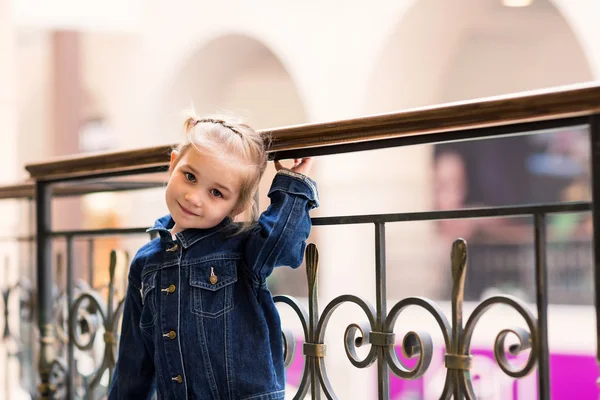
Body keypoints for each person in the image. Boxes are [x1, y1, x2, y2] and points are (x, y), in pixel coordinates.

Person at [108, 114, 318, 399]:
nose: (195, 197)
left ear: (237, 206)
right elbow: (134, 359)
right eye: (190, 176)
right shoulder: (145, 264)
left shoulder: (241, 247)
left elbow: (282, 245)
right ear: (173, 166)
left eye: (216, 193)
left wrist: (292, 184)